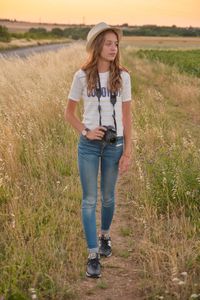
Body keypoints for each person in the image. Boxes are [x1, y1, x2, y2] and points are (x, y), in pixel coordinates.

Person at [64, 22, 132, 278]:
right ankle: (93, 254)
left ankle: (105, 236)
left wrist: (128, 151)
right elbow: (68, 113)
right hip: (89, 147)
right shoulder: (81, 76)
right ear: (97, 46)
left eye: (116, 43)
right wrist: (86, 131)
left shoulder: (123, 76)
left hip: (115, 146)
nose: (114, 48)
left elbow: (127, 117)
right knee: (89, 200)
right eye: (108, 43)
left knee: (109, 198)